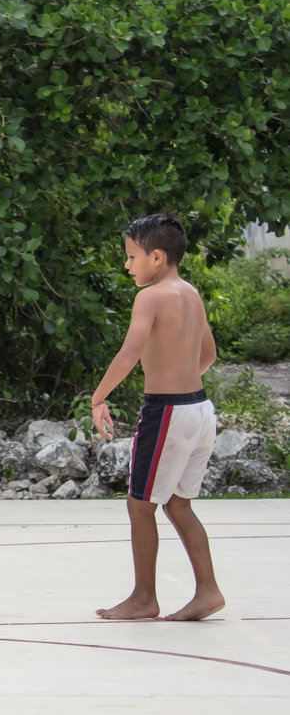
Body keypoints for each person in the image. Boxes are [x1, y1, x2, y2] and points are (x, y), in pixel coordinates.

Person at [90, 213, 225, 621]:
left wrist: (98, 397)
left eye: (131, 256)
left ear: (157, 256)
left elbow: (129, 353)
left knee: (139, 506)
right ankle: (208, 591)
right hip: (200, 409)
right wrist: (183, 383)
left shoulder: (149, 297)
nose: (127, 265)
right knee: (179, 504)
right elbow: (209, 355)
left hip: (167, 412)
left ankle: (144, 598)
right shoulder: (191, 292)